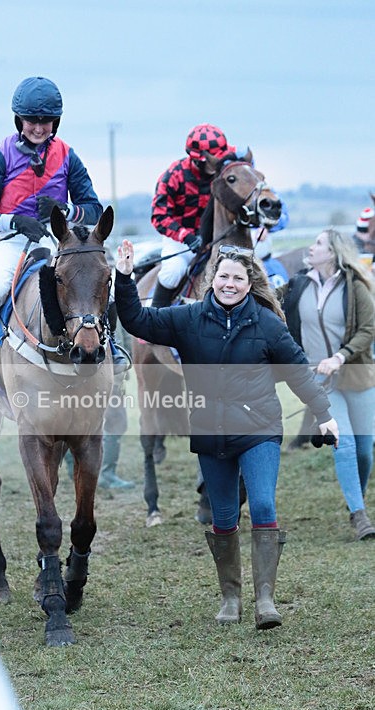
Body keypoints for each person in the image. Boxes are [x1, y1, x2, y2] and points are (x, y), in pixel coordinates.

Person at [115, 239, 339, 630]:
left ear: (249, 285)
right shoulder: (189, 319)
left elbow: (299, 371)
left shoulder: (267, 324)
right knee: (223, 517)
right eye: (223, 276)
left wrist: (324, 414)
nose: (229, 284)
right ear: (212, 280)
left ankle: (265, 600)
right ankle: (231, 597)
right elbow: (137, 321)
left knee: (264, 506)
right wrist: (123, 276)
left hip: (259, 431)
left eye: (237, 278)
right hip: (210, 434)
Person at [0, 75, 107, 379]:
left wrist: (64, 210)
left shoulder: (68, 155)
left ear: (56, 122)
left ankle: (110, 347)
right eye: (31, 120)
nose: (39, 127)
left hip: (57, 241)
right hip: (10, 240)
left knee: (95, 285)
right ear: (18, 120)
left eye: (46, 121)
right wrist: (14, 221)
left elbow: (93, 209)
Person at [280, 229, 375, 541]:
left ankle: (354, 499)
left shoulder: (355, 285)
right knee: (343, 443)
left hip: (356, 376)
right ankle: (359, 515)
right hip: (321, 380)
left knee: (363, 451)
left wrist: (340, 357)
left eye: (318, 243)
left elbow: (368, 328)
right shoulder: (298, 284)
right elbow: (276, 309)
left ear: (333, 252)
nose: (312, 247)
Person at [149, 123, 236, 308]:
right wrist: (186, 237)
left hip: (215, 238)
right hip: (181, 239)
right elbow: (158, 216)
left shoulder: (224, 173)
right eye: (215, 160)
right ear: (199, 159)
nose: (220, 164)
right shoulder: (174, 175)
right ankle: (154, 322)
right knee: (172, 272)